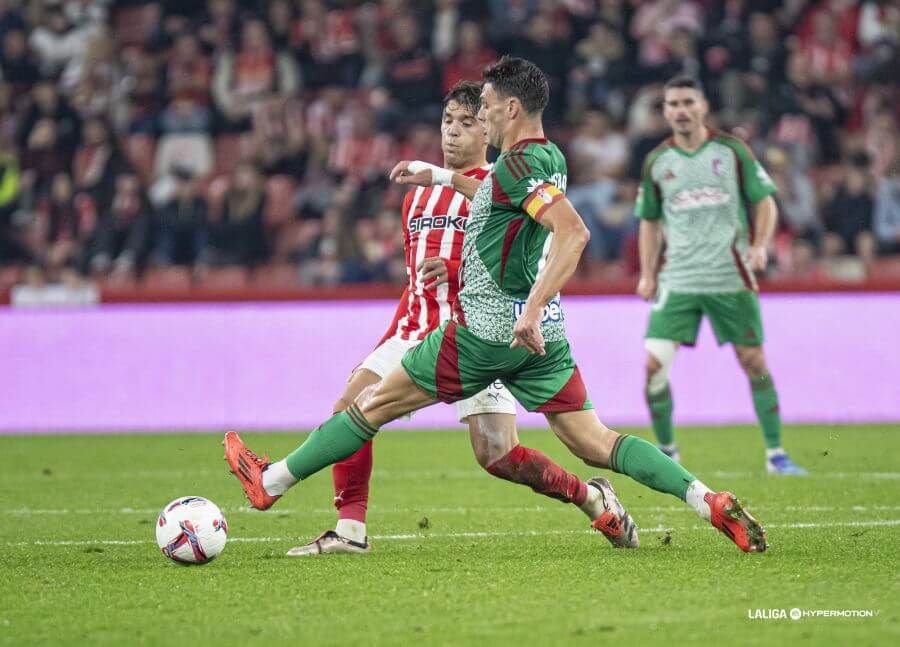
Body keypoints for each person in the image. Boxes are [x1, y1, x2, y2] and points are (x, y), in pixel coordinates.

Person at [225, 57, 767, 554]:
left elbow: (572, 234)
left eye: (483, 108)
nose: (478, 118)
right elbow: (503, 203)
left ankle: (270, 484)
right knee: (597, 441)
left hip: (486, 333)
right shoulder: (546, 157)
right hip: (545, 342)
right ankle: (707, 500)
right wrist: (438, 176)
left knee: (367, 406)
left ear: (509, 108)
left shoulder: (512, 167)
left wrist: (528, 309)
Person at [288, 81, 634, 556]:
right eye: (447, 121)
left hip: (480, 331)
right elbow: (414, 285)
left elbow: (535, 258)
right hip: (418, 331)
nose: (453, 132)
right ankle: (350, 530)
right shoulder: (415, 198)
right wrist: (387, 339)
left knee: (498, 456)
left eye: (467, 122)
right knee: (349, 406)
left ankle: (592, 499)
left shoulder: (501, 184)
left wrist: (454, 270)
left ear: (489, 128)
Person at [635, 75, 806, 476]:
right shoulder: (658, 162)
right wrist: (647, 273)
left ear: (703, 106)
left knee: (754, 361)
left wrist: (761, 244)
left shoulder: (731, 151)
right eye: (672, 104)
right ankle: (667, 453)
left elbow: (764, 202)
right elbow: (649, 222)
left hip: (730, 277)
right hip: (678, 279)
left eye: (687, 102)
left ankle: (776, 455)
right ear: (664, 112)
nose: (680, 110)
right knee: (651, 367)